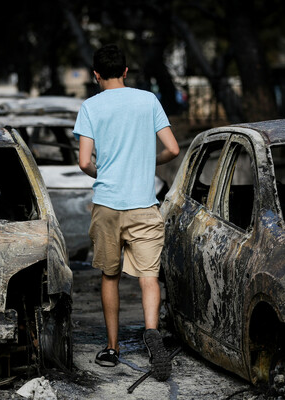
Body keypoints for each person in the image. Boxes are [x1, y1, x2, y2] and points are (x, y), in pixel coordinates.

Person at [73, 44, 180, 382]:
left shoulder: (89, 107)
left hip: (107, 204)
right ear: (125, 70)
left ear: (95, 75)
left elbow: (84, 161)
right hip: (143, 204)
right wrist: (149, 163)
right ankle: (152, 333)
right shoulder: (147, 100)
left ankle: (113, 347)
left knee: (110, 275)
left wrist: (102, 174)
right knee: (149, 276)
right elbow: (173, 149)